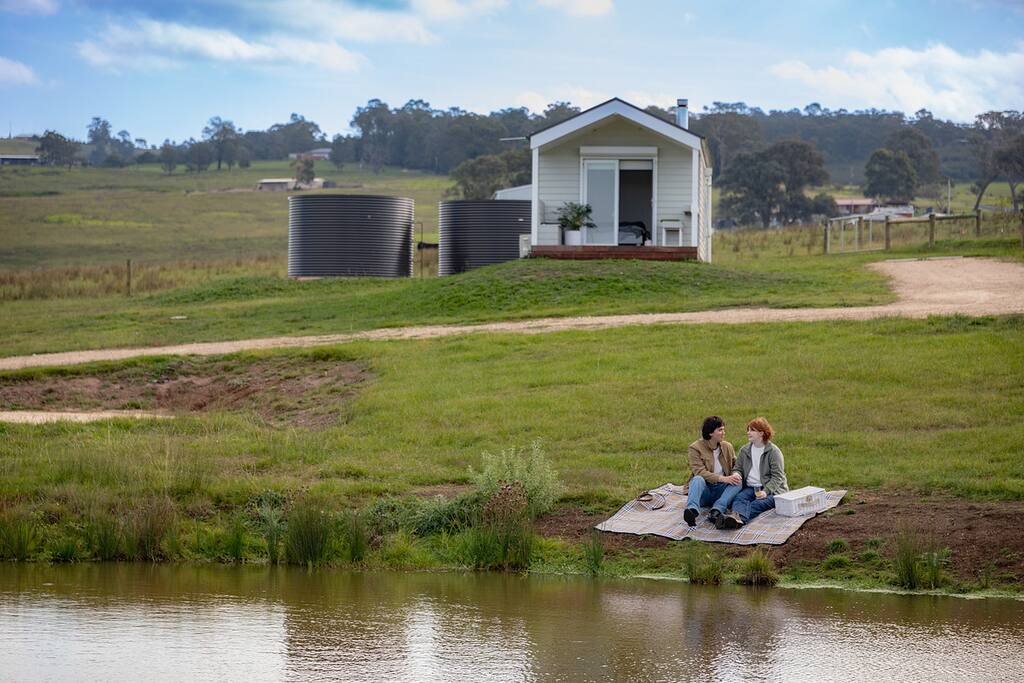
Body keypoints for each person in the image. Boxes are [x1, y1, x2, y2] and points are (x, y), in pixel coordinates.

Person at [720, 417, 789, 529]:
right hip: (750, 487)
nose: (748, 432)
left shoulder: (773, 452)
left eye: (752, 430)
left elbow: (778, 477)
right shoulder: (744, 450)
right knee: (739, 499)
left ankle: (737, 520)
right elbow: (738, 468)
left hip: (772, 490)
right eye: (748, 430)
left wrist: (766, 491)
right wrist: (736, 474)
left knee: (757, 504)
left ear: (761, 433)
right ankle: (735, 520)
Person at [683, 416, 742, 527]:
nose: (723, 433)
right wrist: (723, 478)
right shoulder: (695, 448)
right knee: (697, 479)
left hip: (721, 490)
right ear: (710, 433)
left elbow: (736, 466)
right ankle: (692, 511)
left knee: (738, 481)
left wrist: (735, 474)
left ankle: (716, 510)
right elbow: (699, 471)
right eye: (720, 430)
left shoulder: (727, 446)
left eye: (723, 429)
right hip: (704, 490)